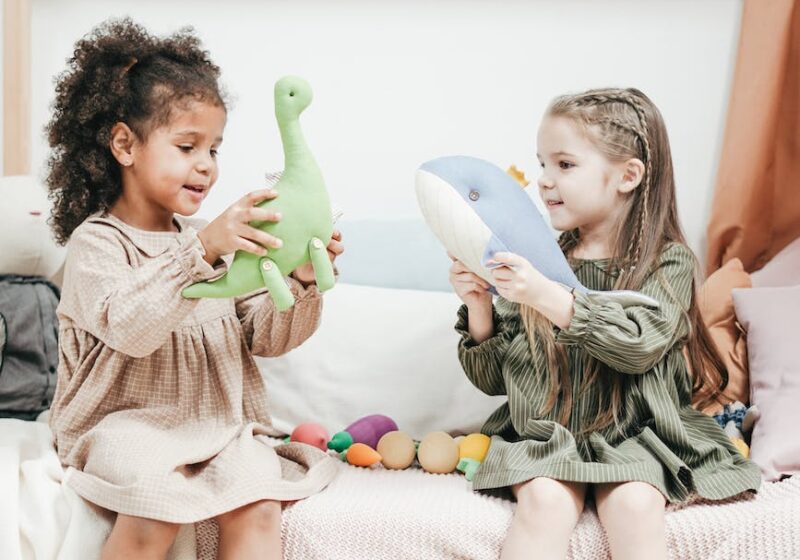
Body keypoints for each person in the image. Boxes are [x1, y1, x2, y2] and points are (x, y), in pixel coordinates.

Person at [46, 18, 342, 560]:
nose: (206, 166)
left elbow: (263, 336)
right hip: (123, 423)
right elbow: (131, 328)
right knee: (154, 506)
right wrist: (201, 250)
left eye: (214, 149)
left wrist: (298, 283)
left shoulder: (213, 243)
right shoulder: (99, 244)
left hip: (218, 424)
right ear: (124, 145)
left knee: (258, 502)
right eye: (187, 146)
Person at [449, 88, 761, 560]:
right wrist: (479, 307)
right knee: (544, 502)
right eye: (542, 164)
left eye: (565, 165)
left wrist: (548, 296)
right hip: (550, 435)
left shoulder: (667, 262)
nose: (544, 181)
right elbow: (495, 380)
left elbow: (638, 345)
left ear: (627, 176)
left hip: (637, 436)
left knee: (636, 506)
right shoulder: (534, 260)